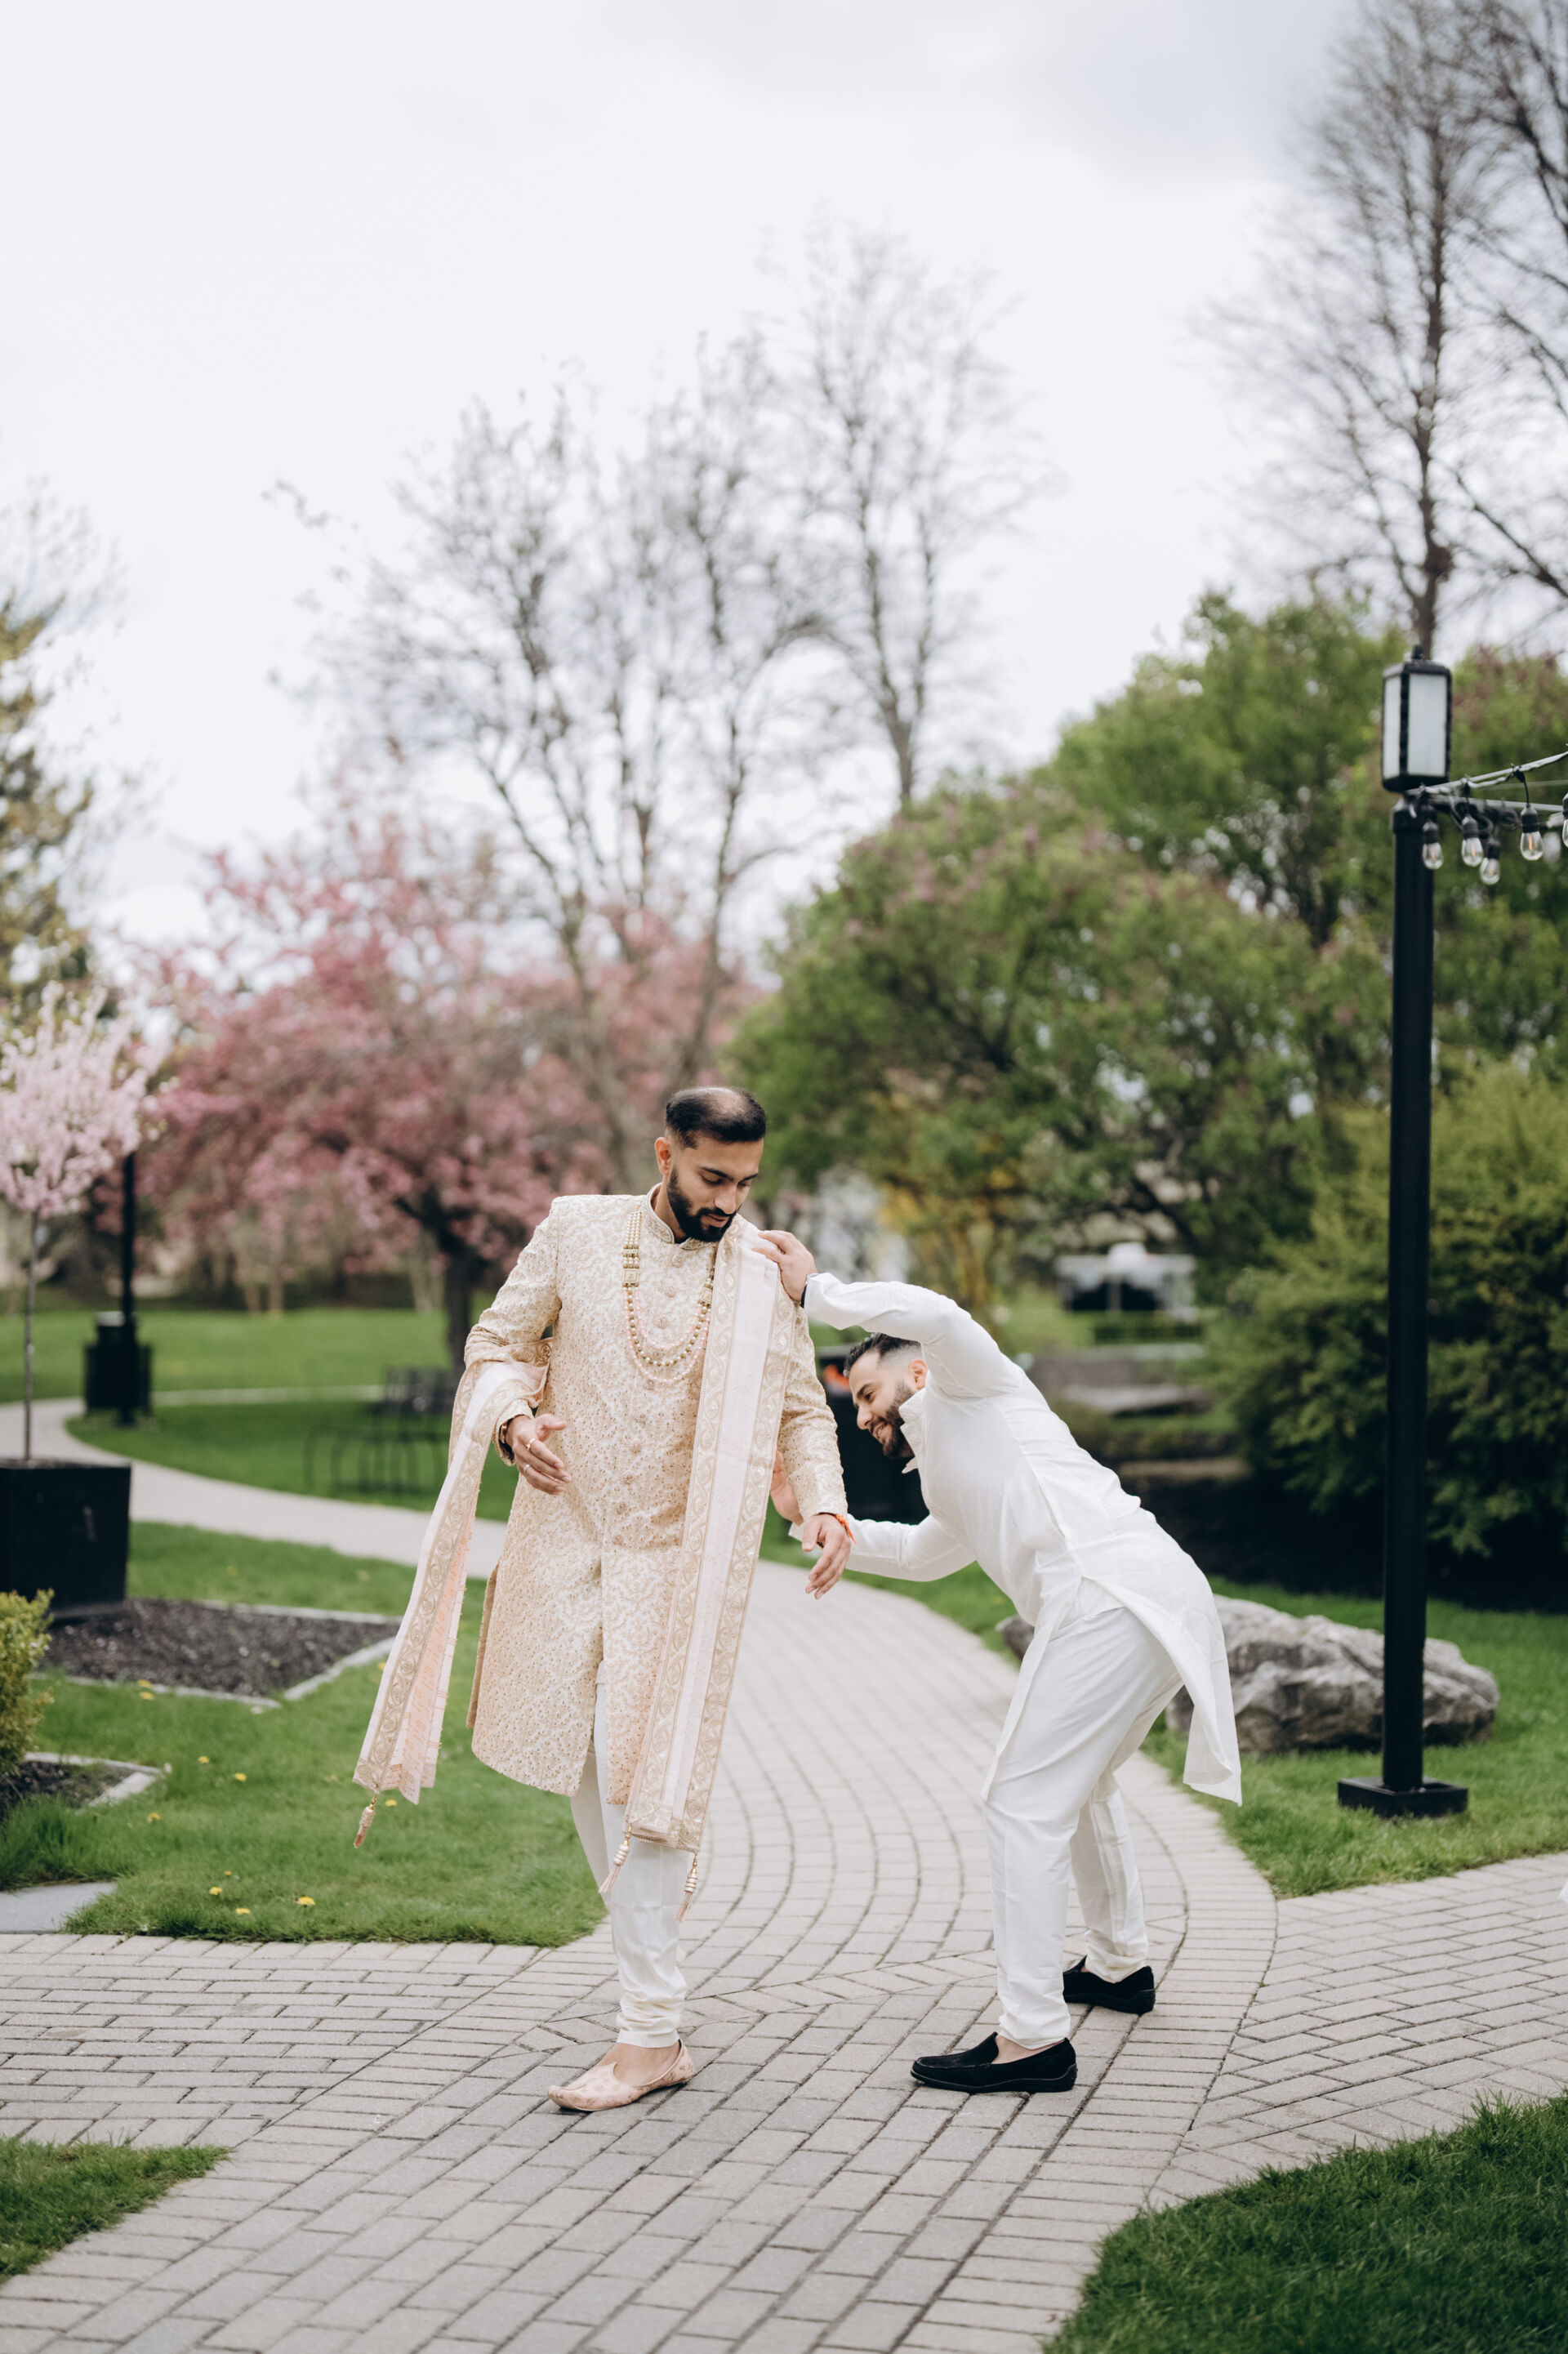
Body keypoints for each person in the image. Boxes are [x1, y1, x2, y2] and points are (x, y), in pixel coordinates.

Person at [355, 1089, 850, 2111]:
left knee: (641, 1782)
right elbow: (494, 1344)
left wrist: (826, 1504)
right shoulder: (576, 1230)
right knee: (591, 1775)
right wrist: (513, 1420)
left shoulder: (759, 1271)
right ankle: (651, 1992)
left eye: (746, 1181)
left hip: (677, 1562)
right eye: (713, 1176)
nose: (730, 1201)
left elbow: (802, 1407)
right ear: (665, 1153)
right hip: (564, 1545)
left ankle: (649, 2032)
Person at [757, 1232, 1240, 2099]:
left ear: (916, 1372)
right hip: (1153, 1594)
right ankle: (1120, 1966)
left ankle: (1032, 2039)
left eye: (868, 1393)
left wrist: (816, 1293)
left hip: (1107, 1593)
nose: (861, 1416)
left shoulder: (974, 1381)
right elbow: (922, 1554)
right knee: (1078, 1786)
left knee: (1020, 1803)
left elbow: (937, 1313)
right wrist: (815, 1521)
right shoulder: (945, 1472)